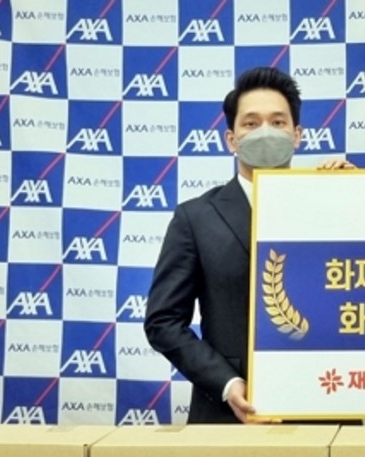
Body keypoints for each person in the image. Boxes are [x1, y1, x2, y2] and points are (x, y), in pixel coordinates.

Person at [145, 67, 352, 423]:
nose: (265, 132)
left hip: (329, 405)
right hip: (232, 415)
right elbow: (163, 321)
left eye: (278, 122)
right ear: (232, 139)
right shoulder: (196, 218)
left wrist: (359, 200)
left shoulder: (335, 203)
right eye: (251, 123)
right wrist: (226, 383)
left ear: (297, 135)